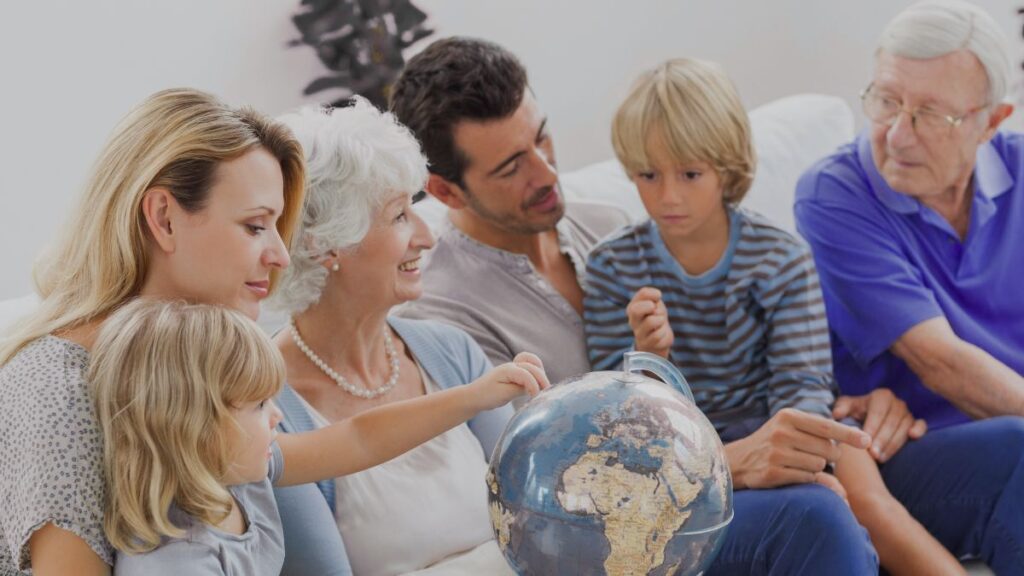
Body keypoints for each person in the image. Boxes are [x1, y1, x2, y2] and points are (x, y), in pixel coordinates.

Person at [585, 57, 971, 575]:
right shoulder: (613, 265)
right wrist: (651, 361)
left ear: (726, 166)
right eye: (648, 175)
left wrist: (800, 460)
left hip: (779, 451)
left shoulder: (780, 257)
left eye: (690, 174)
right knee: (824, 515)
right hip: (686, 478)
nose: (668, 195)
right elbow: (616, 428)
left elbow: (803, 389)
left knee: (1010, 448)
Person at [0, 88, 310, 575]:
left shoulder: (215, 363)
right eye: (255, 226)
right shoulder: (56, 391)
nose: (280, 256)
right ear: (163, 218)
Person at [795, 0, 1024, 571]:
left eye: (929, 114)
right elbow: (939, 360)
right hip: (906, 453)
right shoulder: (835, 194)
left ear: (991, 121)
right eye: (887, 101)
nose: (897, 134)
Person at [266, 98, 531, 575]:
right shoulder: (267, 410)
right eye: (399, 216)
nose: (427, 237)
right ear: (326, 243)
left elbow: (533, 524)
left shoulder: (451, 353)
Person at [90, 299, 546, 575]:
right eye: (257, 407)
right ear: (190, 424)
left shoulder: (244, 470)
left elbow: (361, 439)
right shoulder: (176, 561)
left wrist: (473, 396)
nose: (276, 419)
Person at [389, 36, 631, 386]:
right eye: (511, 168)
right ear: (445, 191)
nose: (547, 174)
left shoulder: (612, 225)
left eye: (541, 137)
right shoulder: (443, 322)